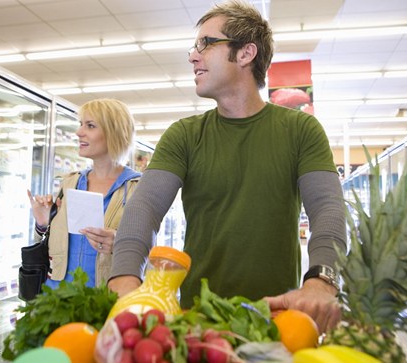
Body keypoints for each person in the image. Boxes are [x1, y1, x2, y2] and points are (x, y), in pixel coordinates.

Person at [108, 0, 346, 333]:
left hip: (278, 320)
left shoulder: (301, 130)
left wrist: (321, 281)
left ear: (246, 53)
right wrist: (124, 275)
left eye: (206, 44)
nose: (193, 55)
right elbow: (145, 206)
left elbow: (328, 210)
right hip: (196, 319)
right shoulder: (185, 135)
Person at [27, 98, 141, 288]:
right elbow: (47, 243)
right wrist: (43, 223)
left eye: (90, 126)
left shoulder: (137, 187)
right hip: (58, 295)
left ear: (115, 132)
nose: (79, 132)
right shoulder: (70, 182)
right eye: (81, 125)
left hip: (106, 299)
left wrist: (120, 243)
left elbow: (151, 252)